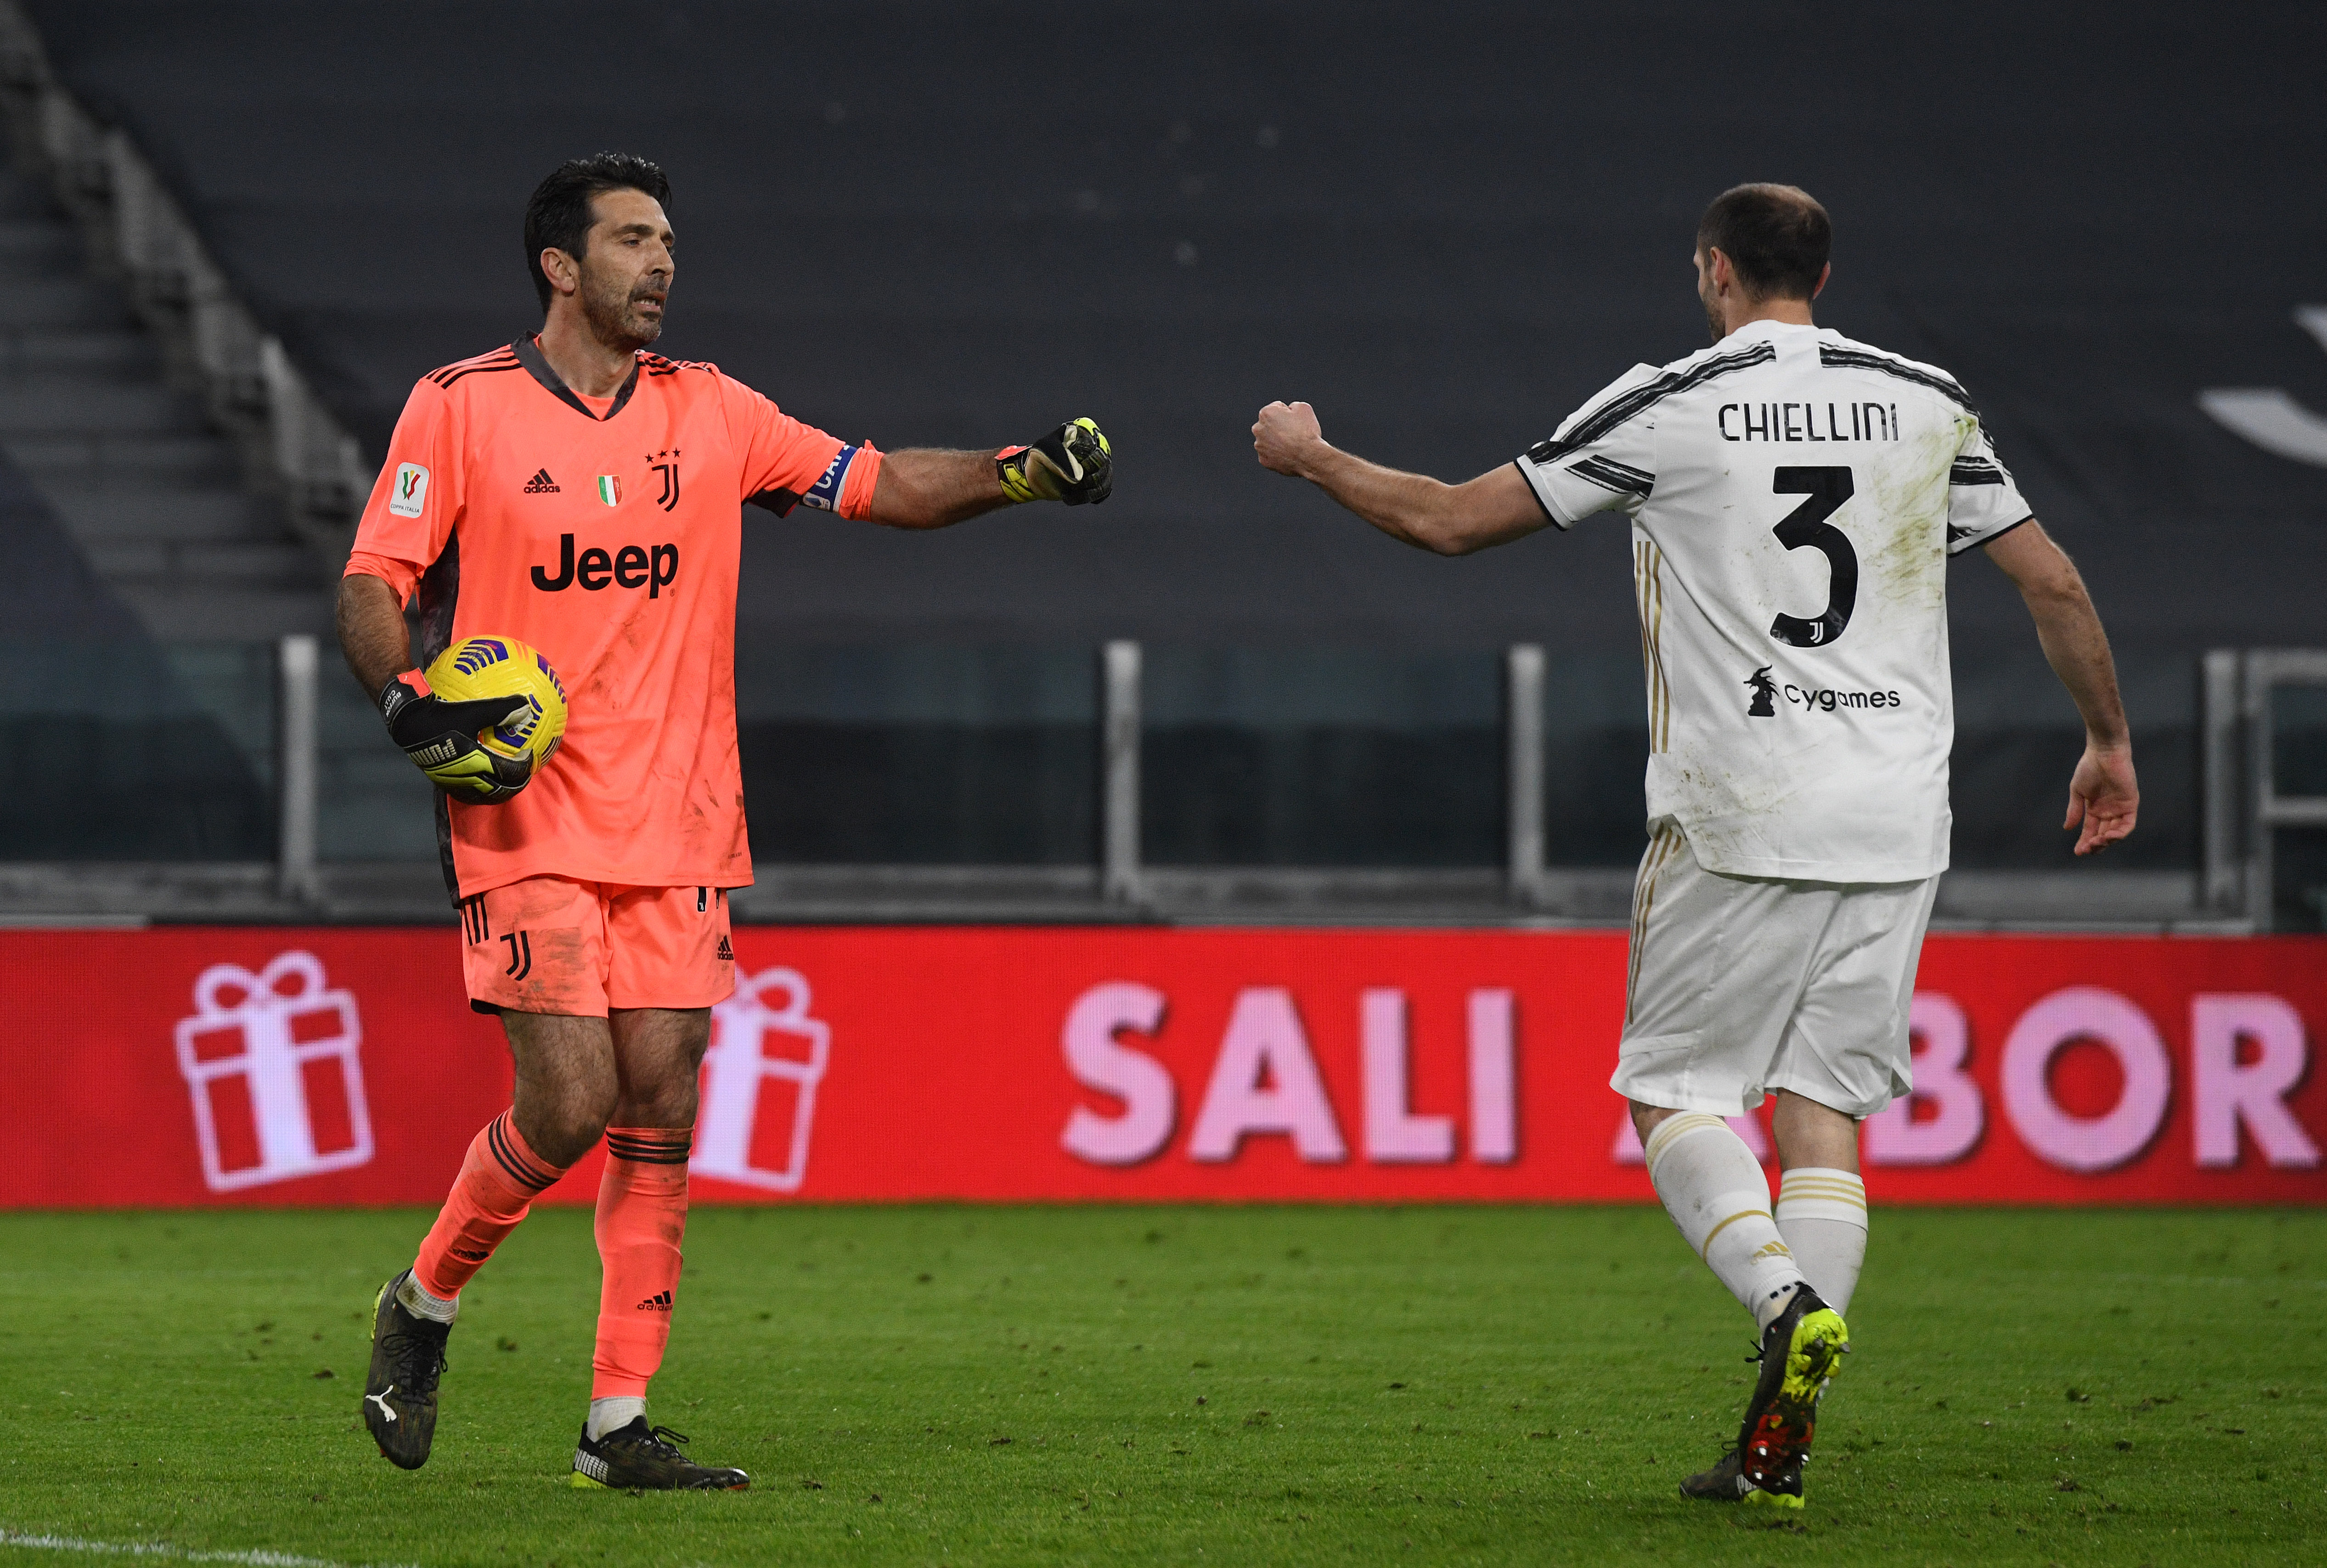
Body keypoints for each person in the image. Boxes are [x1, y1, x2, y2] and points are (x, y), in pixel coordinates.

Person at [1251, 182, 2135, 1511]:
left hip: (1740, 805)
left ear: (1713, 273)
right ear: (1823, 279)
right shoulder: (1922, 397)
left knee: (1669, 1090)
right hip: (1896, 812)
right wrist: (2107, 744)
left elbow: (1445, 518)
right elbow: (2052, 580)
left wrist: (1309, 455)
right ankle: (1784, 1428)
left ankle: (1783, 1306)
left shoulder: (1668, 401)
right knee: (1818, 1102)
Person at [339, 152, 1112, 1491]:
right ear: (560, 265)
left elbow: (880, 485)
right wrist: (407, 696)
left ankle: (615, 1426)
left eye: (670, 242)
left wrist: (1020, 472)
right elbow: (375, 577)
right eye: (635, 240)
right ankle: (425, 1299)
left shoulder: (717, 414)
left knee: (662, 1110)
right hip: (526, 815)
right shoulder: (458, 408)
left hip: (685, 820)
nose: (664, 264)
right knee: (569, 1102)